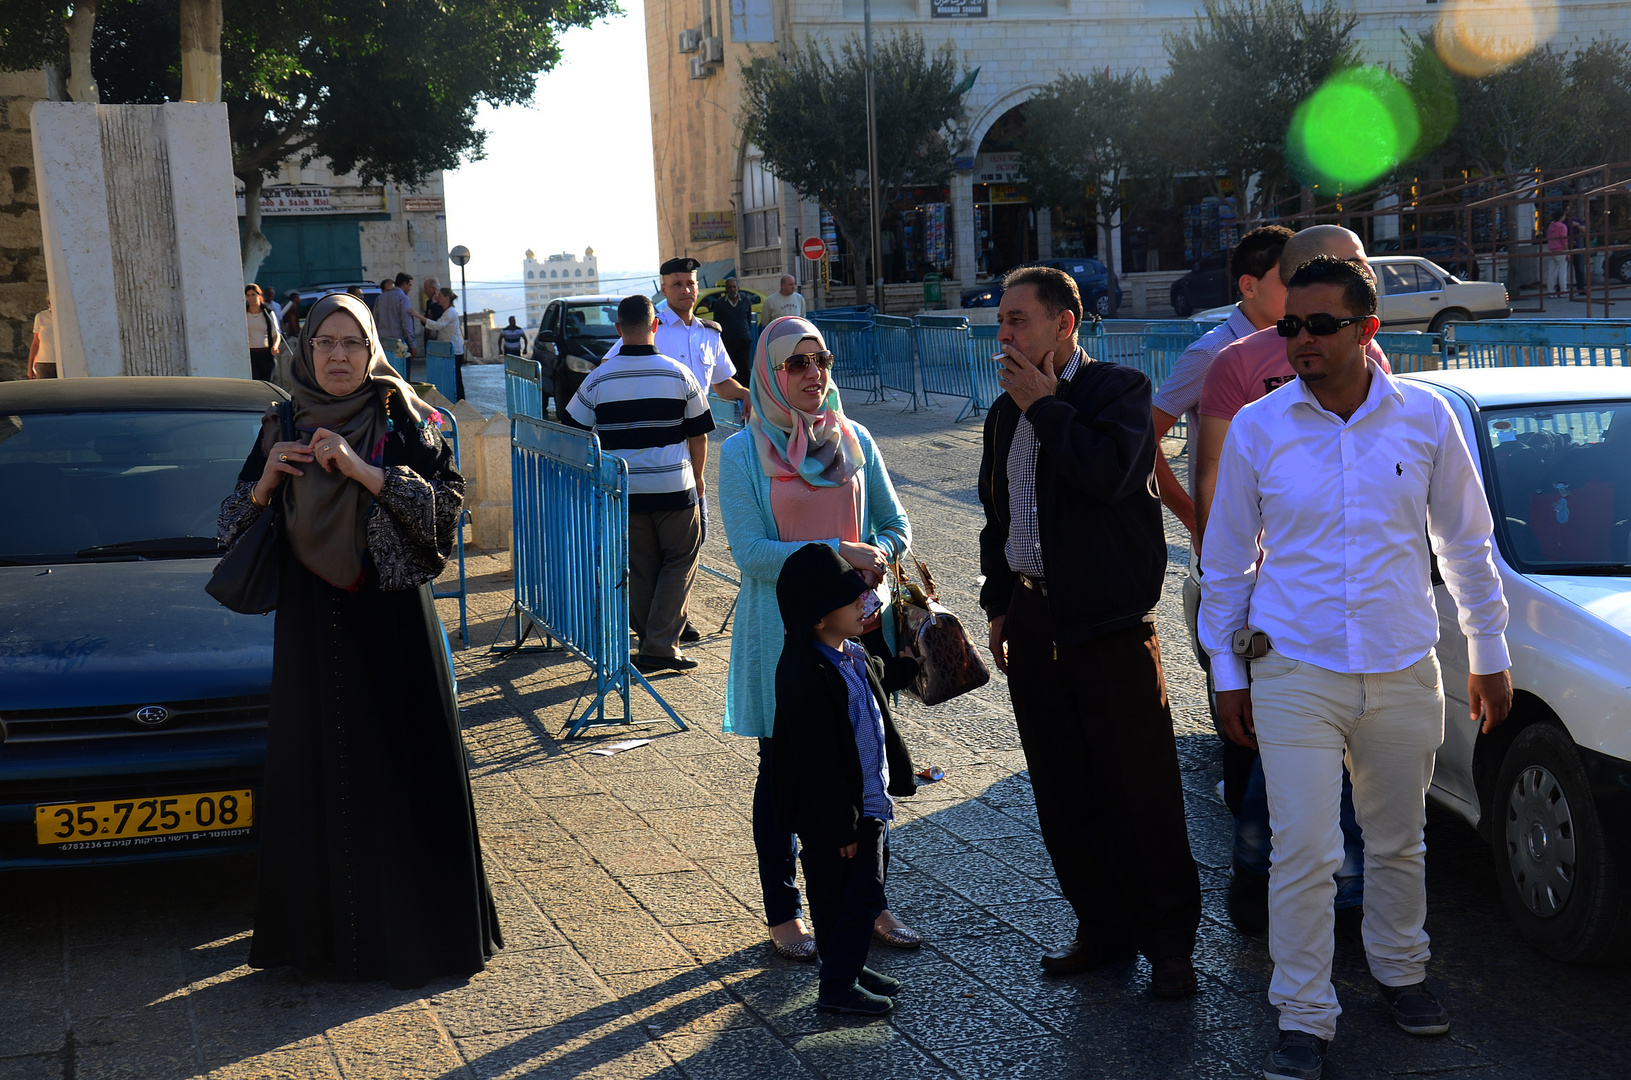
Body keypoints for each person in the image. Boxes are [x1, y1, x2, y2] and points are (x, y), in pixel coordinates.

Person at [1200, 256, 1512, 1080]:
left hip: (1404, 663)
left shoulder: (1426, 419)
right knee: (1302, 849)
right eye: (1287, 326)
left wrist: (1488, 654)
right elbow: (1227, 561)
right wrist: (1228, 679)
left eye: (1317, 326)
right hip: (1295, 669)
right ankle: (1302, 1013)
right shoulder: (1260, 428)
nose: (1297, 340)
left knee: (1398, 841)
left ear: (1366, 330)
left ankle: (1401, 972)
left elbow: (1465, 546)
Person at [215, 292, 501, 989]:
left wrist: (362, 469)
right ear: (304, 351)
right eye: (325, 344)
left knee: (400, 771)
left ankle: (414, 941)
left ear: (371, 348)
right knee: (319, 774)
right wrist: (266, 484)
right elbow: (227, 528)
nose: (338, 356)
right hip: (313, 623)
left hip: (392, 621)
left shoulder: (403, 414)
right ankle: (322, 947)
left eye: (351, 343)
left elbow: (445, 514)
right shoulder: (279, 420)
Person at [977, 266, 1201, 998]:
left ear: (1063, 323)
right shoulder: (1004, 410)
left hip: (1108, 626)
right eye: (1001, 320)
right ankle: (1100, 928)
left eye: (1018, 319)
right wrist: (1000, 601)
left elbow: (1105, 475)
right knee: (1063, 786)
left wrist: (1046, 406)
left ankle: (1168, 943)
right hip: (1038, 615)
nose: (1003, 333)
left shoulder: (1119, 392)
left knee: (1138, 788)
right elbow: (999, 512)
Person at [1193, 225, 1390, 935]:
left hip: (1356, 614)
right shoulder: (1235, 366)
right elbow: (1213, 483)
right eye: (1356, 261)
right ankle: (1260, 885)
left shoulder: (1374, 360)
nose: (1367, 269)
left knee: (1341, 784)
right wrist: (1228, 600)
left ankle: (1347, 908)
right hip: (1273, 616)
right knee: (1264, 775)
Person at [718, 315, 919, 962]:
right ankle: (784, 910)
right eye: (796, 364)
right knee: (783, 777)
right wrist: (838, 552)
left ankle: (871, 903)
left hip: (854, 640)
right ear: (769, 375)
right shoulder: (741, 452)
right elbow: (751, 554)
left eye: (821, 359)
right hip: (779, 641)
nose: (813, 374)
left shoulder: (853, 438)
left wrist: (878, 558)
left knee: (864, 774)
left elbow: (894, 525)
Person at [771, 542, 919, 1016]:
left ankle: (847, 968)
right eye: (851, 598)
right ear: (817, 617)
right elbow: (817, 761)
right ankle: (837, 985)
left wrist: (914, 663)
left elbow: (881, 673)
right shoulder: (804, 674)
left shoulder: (850, 652)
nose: (864, 603)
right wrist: (841, 826)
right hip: (841, 817)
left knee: (843, 896)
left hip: (867, 804)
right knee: (858, 897)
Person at [567, 294, 715, 671]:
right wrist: (697, 480)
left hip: (624, 491)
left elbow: (574, 433)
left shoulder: (598, 378)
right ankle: (660, 647)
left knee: (641, 567)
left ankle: (652, 642)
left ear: (618, 330)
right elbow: (699, 436)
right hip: (674, 488)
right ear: (654, 326)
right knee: (680, 562)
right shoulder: (679, 374)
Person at [606, 256, 753, 546]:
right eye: (677, 284)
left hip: (694, 446)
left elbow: (722, 382)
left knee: (697, 534)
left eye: (690, 283)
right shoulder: (649, 326)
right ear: (663, 287)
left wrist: (745, 393)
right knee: (663, 539)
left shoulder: (708, 333)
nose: (685, 290)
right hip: (657, 446)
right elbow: (611, 366)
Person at [423, 287, 466, 401]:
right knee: (451, 377)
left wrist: (419, 317)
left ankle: (460, 401)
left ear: (447, 298)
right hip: (448, 349)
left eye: (440, 295)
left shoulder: (450, 312)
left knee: (456, 378)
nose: (438, 298)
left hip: (454, 350)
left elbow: (438, 325)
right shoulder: (446, 311)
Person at [713, 278, 756, 386]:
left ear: (738, 288)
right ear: (726, 289)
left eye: (734, 287)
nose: (732, 289)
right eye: (729, 287)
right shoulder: (719, 303)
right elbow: (717, 322)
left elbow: (748, 318)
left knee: (744, 366)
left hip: (744, 339)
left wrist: (745, 330)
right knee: (730, 367)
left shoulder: (745, 301)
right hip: (728, 340)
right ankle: (734, 391)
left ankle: (747, 391)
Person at [374, 278, 413, 368]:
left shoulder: (380, 299)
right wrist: (412, 343)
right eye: (388, 291)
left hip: (392, 344)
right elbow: (406, 323)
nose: (391, 294)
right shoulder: (402, 298)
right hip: (392, 343)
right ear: (382, 291)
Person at [246, 284, 282, 382]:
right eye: (248, 295)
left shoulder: (268, 313)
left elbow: (276, 333)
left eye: (253, 295)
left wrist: (275, 346)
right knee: (255, 381)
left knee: (266, 382)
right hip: (251, 354)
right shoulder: (244, 314)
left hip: (266, 354)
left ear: (259, 296)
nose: (251, 298)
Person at [27, 299, 57, 379]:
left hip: (65, 362)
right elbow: (36, 343)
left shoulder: (68, 316)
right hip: (44, 364)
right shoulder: (41, 317)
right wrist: (30, 367)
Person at [1545, 211, 1569, 298]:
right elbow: (1564, 240)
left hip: (1551, 250)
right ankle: (1563, 291)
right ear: (1562, 217)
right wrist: (1567, 252)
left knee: (1551, 272)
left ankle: (1551, 291)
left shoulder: (1551, 226)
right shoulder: (1563, 227)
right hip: (1561, 250)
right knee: (1562, 271)